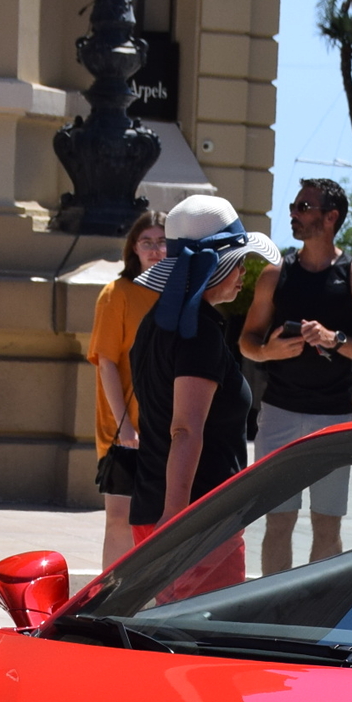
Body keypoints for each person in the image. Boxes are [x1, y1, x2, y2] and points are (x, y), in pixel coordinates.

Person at [132, 194, 280, 590]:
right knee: (198, 647)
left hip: (154, 505)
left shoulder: (155, 323)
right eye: (239, 262)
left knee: (157, 646)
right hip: (195, 520)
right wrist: (176, 518)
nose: (245, 273)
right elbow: (185, 430)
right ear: (218, 265)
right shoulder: (198, 333)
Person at [240, 178, 352, 571]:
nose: (293, 213)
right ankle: (273, 613)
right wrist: (268, 351)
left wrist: (335, 339)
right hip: (279, 413)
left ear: (330, 217)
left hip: (333, 417)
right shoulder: (276, 273)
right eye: (295, 205)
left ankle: (313, 616)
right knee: (278, 521)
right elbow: (246, 341)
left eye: (304, 207)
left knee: (327, 524)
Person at [86, 207, 166, 569]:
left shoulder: (177, 297)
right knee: (120, 516)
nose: (154, 250)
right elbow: (106, 362)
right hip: (125, 427)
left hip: (167, 425)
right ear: (133, 248)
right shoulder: (116, 293)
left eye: (162, 242)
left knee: (162, 519)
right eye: (146, 241)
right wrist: (126, 424)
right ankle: (111, 598)